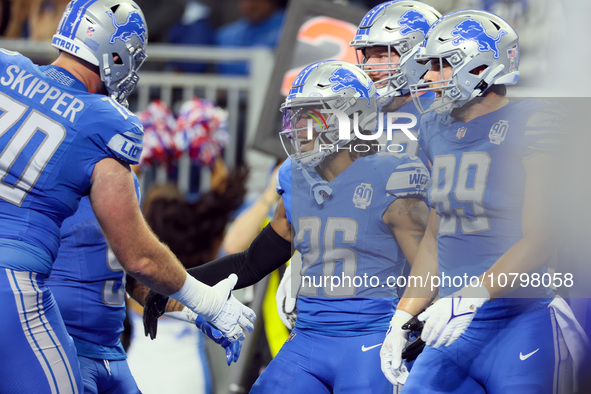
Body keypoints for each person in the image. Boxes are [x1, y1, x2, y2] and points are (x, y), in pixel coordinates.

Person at [0, 0, 253, 392]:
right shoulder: (100, 129)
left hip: (107, 346)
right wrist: (207, 301)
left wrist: (186, 310)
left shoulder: (9, 70)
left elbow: (127, 268)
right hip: (31, 304)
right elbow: (141, 256)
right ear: (116, 56)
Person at [144, 60, 431, 393]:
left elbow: (433, 263)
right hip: (308, 340)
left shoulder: (391, 176)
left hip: (371, 339)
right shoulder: (295, 178)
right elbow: (251, 263)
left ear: (350, 118)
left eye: (310, 115)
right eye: (295, 116)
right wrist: (175, 286)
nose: (298, 127)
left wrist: (418, 326)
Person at [380, 10, 582, 392]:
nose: (428, 77)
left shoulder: (536, 121)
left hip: (521, 322)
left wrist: (470, 298)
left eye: (441, 65)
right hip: (452, 328)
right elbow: (437, 237)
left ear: (480, 68)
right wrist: (401, 318)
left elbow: (541, 238)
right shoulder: (434, 129)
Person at [349, 0, 441, 162]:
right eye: (368, 56)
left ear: (420, 60)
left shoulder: (445, 115)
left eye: (382, 56)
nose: (369, 66)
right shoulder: (355, 116)